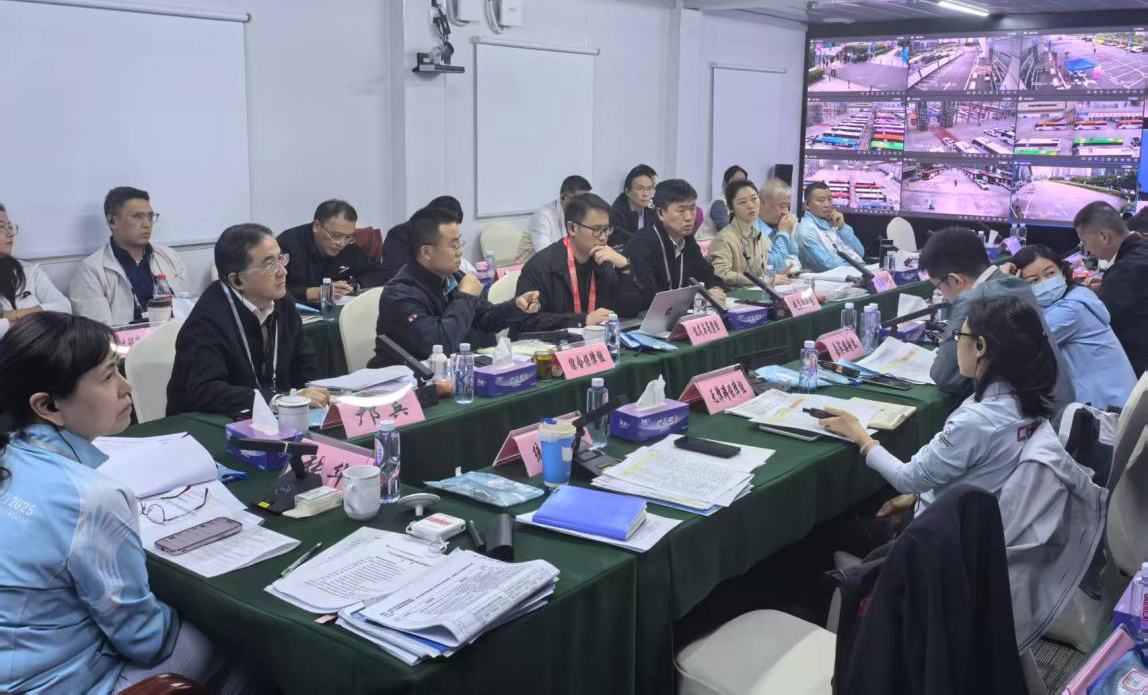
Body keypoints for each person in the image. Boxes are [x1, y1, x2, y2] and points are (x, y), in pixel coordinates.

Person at [818, 296, 1105, 650]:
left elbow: (908, 477)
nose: (954, 345)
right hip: (970, 529)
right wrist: (917, 496)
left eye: (959, 337)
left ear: (981, 346)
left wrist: (860, 435)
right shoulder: (1026, 400)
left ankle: (846, 638)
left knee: (833, 530)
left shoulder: (978, 419)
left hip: (938, 547)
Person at [0, 313, 217, 693]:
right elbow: (145, 640)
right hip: (56, 683)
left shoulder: (11, 454)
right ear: (48, 406)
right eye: (107, 376)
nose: (126, 385)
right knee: (235, 649)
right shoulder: (91, 498)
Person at [166, 224, 329, 416]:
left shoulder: (283, 302)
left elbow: (306, 363)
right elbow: (206, 390)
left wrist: (318, 393)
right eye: (270, 265)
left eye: (281, 259)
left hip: (273, 418)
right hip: (209, 423)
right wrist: (277, 401)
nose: (283, 272)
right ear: (237, 280)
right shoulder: (207, 320)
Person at [919, 227, 1074, 415]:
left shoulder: (972, 299)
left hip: (1030, 416)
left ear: (955, 280)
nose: (941, 293)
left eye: (938, 286)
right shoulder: (1016, 283)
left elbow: (945, 376)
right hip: (1057, 405)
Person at [368, 207, 540, 365]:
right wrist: (465, 297)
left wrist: (516, 306)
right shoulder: (400, 295)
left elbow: (486, 318)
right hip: (402, 380)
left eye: (460, 244)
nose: (460, 252)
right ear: (426, 252)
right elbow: (439, 346)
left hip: (446, 375)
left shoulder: (453, 277)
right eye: (453, 245)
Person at [1006, 244, 1135, 410]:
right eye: (1034, 281)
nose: (1045, 283)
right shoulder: (1073, 296)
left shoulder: (1072, 309)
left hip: (1109, 408)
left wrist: (1008, 288)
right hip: (1105, 401)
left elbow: (1022, 345)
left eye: (1050, 273)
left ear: (1061, 270)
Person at [512, 193, 640, 335]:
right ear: (572, 228)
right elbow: (527, 322)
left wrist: (625, 267)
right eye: (597, 230)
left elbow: (628, 311)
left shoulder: (603, 261)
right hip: (551, 345)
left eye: (606, 229)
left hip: (594, 342)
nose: (604, 237)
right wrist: (582, 320)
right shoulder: (541, 266)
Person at [70, 187, 187, 326]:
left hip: (175, 334)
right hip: (128, 339)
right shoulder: (90, 271)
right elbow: (98, 332)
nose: (147, 224)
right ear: (112, 221)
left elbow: (188, 307)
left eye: (150, 216)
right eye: (138, 216)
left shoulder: (169, 257)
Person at [623, 179, 727, 309]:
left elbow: (709, 275)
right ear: (661, 213)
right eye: (681, 210)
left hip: (678, 314)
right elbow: (650, 297)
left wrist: (715, 289)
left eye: (692, 209)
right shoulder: (641, 245)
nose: (689, 217)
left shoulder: (687, 240)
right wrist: (700, 299)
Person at [1074, 201, 1148, 376]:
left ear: (1103, 237)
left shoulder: (1125, 270)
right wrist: (1107, 286)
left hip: (1138, 370)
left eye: (1084, 242)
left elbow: (1096, 318)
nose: (1087, 249)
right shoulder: (1140, 252)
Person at [277, 199, 387, 305]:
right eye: (336, 235)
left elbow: (382, 273)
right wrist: (314, 293)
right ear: (316, 226)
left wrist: (353, 285)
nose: (341, 243)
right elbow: (270, 289)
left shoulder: (347, 245)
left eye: (348, 237)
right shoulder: (287, 245)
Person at [0, 203, 70, 337]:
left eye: (10, 226)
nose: (10, 233)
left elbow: (64, 307)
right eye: (1, 227)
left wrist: (15, 315)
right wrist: (36, 317)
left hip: (42, 344)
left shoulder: (30, 271)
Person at [706, 180, 791, 288]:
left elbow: (762, 272)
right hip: (733, 295)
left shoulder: (761, 237)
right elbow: (721, 273)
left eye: (754, 199)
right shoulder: (723, 239)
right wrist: (763, 280)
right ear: (731, 208)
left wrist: (775, 274)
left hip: (758, 293)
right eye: (742, 202)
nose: (751, 206)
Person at [380, 195, 463, 282]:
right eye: (453, 245)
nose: (460, 252)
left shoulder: (447, 270)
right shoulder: (397, 236)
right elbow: (397, 276)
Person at [794, 182, 865, 272]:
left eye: (829, 199)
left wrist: (842, 227)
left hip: (851, 272)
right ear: (807, 205)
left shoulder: (832, 222)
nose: (827, 205)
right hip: (828, 277)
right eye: (821, 200)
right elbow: (827, 265)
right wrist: (858, 265)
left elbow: (860, 253)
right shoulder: (805, 229)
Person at [526, 175, 592, 254]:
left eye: (588, 199)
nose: (584, 204)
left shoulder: (584, 213)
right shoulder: (543, 215)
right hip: (535, 260)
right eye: (580, 200)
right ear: (563, 197)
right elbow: (545, 253)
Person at [757, 178, 802, 273]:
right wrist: (783, 233)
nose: (785, 212)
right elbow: (773, 267)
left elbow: (796, 262)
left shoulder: (782, 224)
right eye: (782, 206)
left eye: (787, 206)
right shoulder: (753, 229)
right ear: (763, 202)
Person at [608, 164, 657, 246]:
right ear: (627, 191)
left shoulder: (652, 211)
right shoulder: (616, 215)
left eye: (649, 189)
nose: (646, 194)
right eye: (640, 188)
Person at [696, 165, 747, 241]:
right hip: (705, 243)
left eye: (743, 182)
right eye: (736, 181)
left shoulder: (737, 202)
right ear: (726, 183)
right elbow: (726, 229)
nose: (739, 185)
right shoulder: (719, 203)